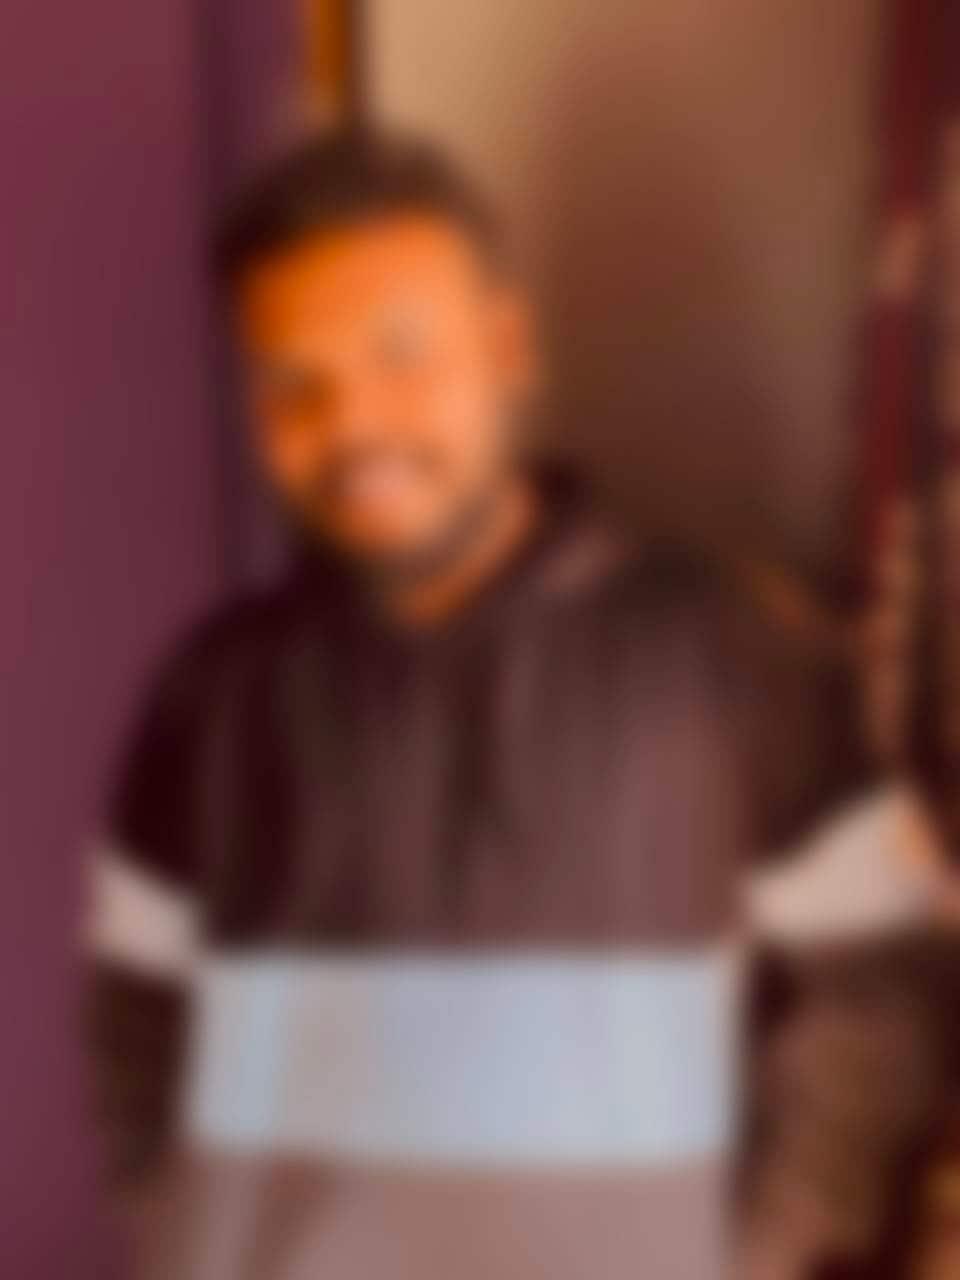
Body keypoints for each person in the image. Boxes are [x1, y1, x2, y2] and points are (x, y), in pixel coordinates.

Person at [84, 125, 878, 1279]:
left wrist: (756, 1253)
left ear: (505, 346)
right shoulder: (209, 694)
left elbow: (882, 986)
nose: (353, 422)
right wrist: (187, 1242)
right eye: (293, 382)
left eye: (401, 352)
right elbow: (135, 1014)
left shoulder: (718, 649)